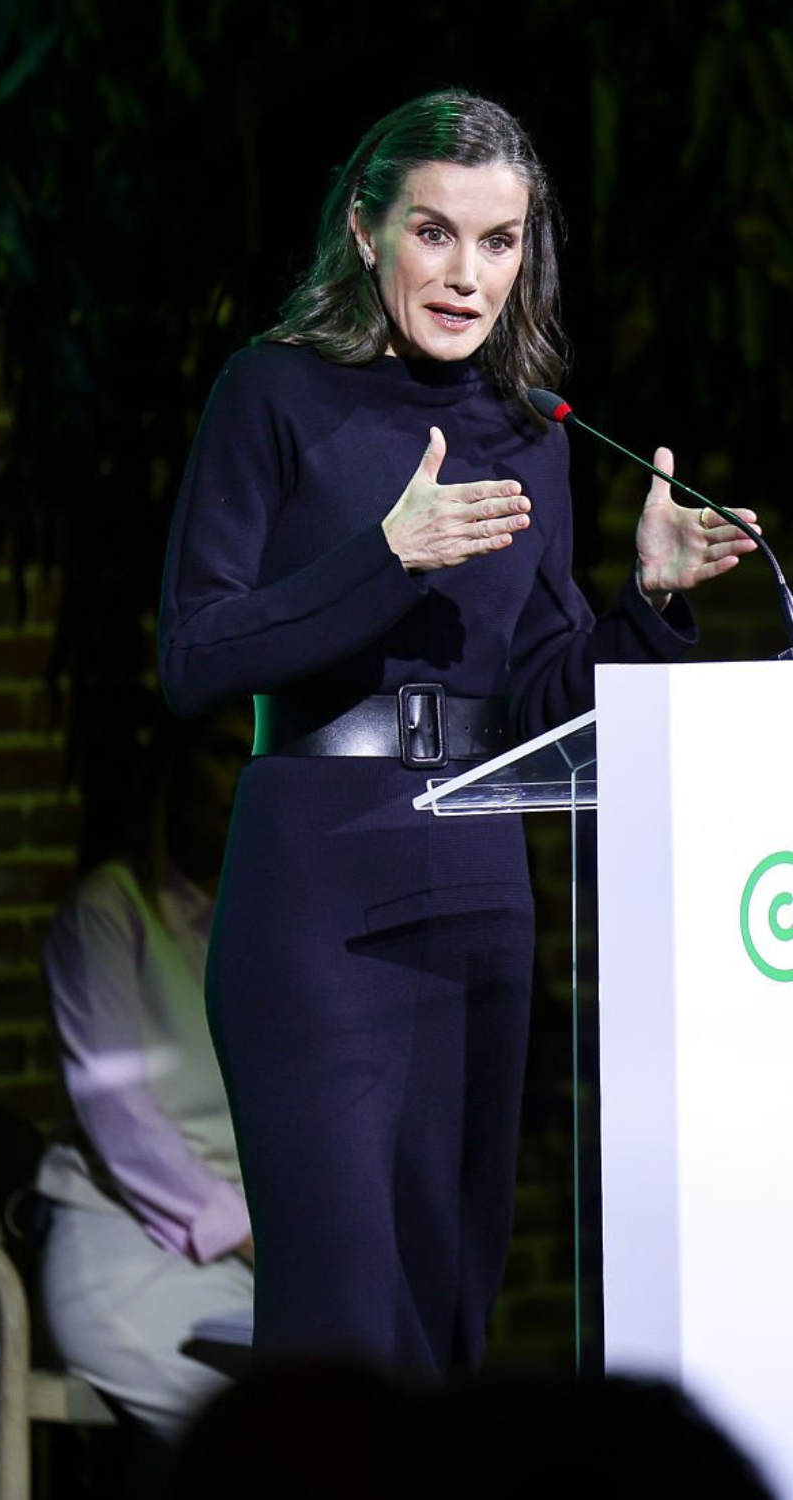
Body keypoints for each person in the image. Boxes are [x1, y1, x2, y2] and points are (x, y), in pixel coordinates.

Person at [157, 89, 757, 1381]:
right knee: (341, 1329)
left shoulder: (527, 431)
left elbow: (539, 688)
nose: (467, 275)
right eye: (434, 233)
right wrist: (386, 555)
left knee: (446, 1322)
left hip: (480, 900)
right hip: (319, 905)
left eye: (498, 242)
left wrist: (647, 605)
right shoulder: (272, 392)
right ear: (365, 229)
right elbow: (195, 654)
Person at [34, 702, 255, 1442]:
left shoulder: (251, 923)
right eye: (225, 752)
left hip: (247, 1261)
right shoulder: (109, 910)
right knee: (263, 1434)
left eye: (257, 756)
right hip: (129, 1255)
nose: (244, 776)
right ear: (172, 767)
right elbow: (123, 1118)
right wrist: (255, 1237)